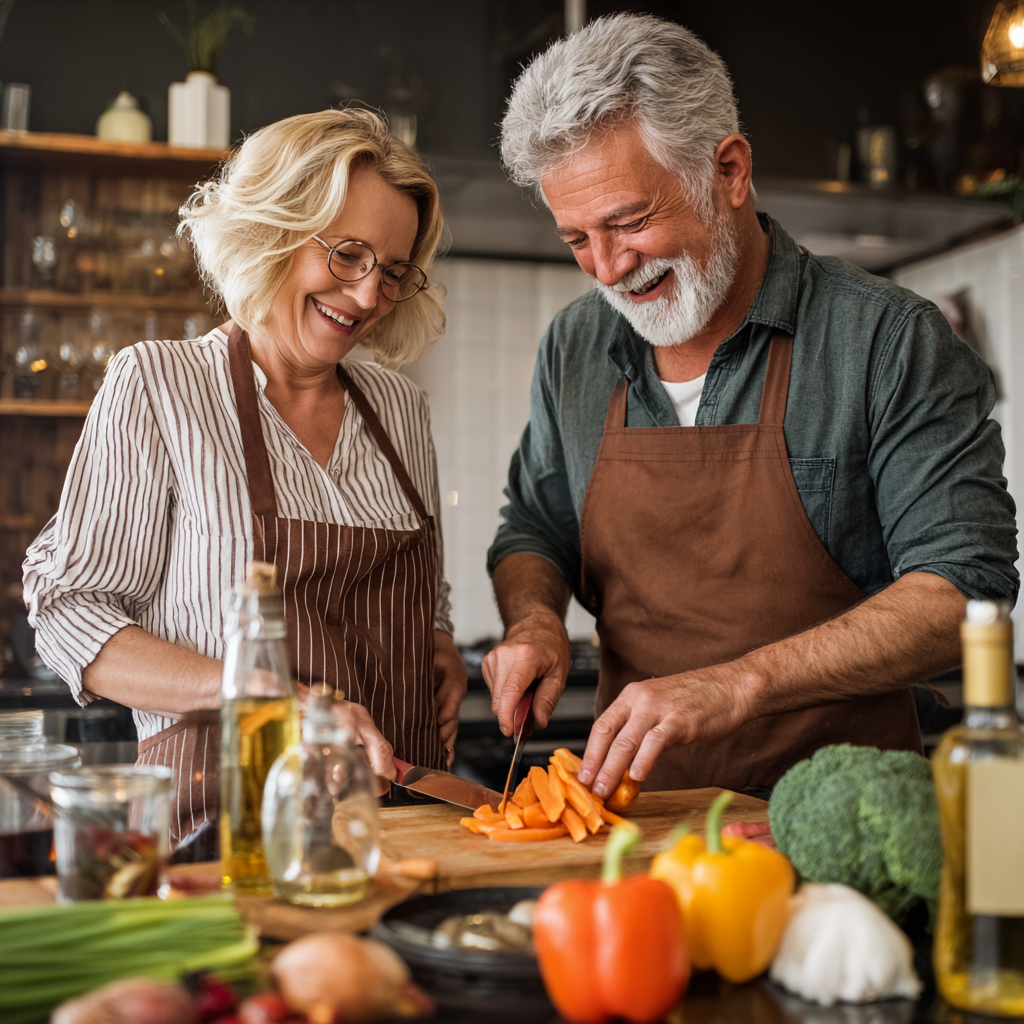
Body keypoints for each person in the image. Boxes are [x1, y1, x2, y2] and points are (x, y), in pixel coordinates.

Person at [483, 14, 1018, 801]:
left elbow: (965, 591)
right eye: (576, 239)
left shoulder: (885, 338)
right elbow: (535, 527)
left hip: (845, 827)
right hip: (637, 830)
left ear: (729, 170)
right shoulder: (576, 346)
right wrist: (533, 621)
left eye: (629, 222)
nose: (607, 268)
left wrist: (739, 683)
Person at [23, 109, 467, 843]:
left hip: (399, 833)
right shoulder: (160, 386)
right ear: (273, 230)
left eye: (392, 272)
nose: (366, 297)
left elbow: (427, 598)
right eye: (348, 254)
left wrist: (440, 647)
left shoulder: (401, 407)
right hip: (225, 835)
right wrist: (256, 695)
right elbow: (70, 611)